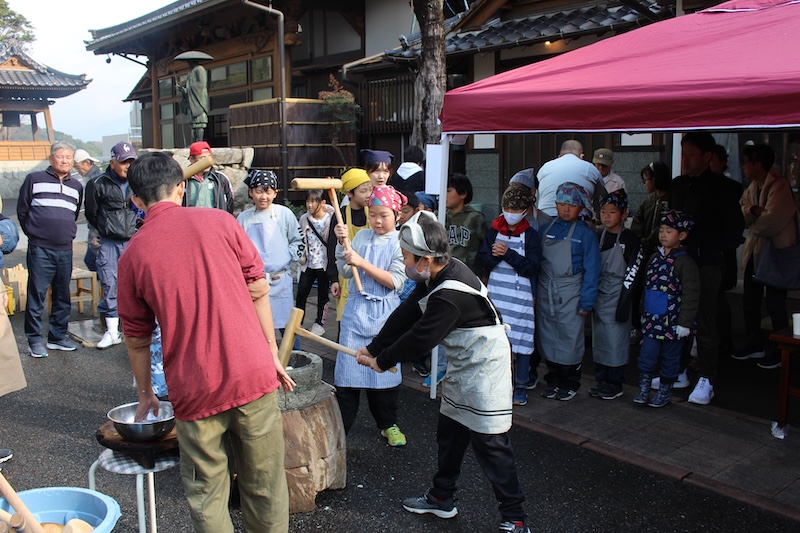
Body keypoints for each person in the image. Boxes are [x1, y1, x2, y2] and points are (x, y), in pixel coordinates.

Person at [118, 152, 294, 532]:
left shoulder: (132, 254)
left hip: (193, 387)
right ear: (181, 188)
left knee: (208, 493)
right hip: (251, 373)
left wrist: (146, 392)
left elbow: (136, 338)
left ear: (136, 200)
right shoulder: (223, 221)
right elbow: (259, 289)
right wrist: (271, 354)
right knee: (265, 485)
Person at [355, 211, 530, 533]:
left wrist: (383, 361)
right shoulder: (436, 274)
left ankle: (515, 517)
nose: (404, 261)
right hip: (465, 364)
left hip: (485, 368)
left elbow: (422, 336)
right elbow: (407, 312)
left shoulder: (451, 291)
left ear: (425, 259)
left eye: (407, 256)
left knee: (491, 444)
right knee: (450, 434)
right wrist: (376, 346)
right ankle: (441, 498)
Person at [669, 132, 744, 405]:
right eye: (684, 153)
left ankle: (707, 377)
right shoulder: (678, 186)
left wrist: (715, 250)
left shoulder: (725, 189)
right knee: (676, 315)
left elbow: (734, 230)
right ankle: (677, 369)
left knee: (706, 320)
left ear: (707, 156)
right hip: (678, 261)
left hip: (707, 261)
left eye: (691, 154)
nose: (686, 159)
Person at [334, 185, 407, 445]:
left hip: (386, 314)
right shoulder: (361, 237)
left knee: (383, 373)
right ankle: (340, 433)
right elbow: (344, 271)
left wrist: (361, 262)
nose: (377, 220)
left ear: (397, 215)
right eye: (372, 214)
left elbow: (395, 281)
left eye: (384, 215)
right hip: (356, 312)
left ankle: (388, 424)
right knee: (347, 377)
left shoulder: (401, 242)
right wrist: (341, 244)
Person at [17, 141, 83, 357]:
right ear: (51, 158)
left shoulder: (77, 186)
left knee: (63, 295)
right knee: (37, 294)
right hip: (40, 248)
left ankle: (57, 336)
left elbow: (73, 215)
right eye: (60, 156)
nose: (65, 160)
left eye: (69, 157)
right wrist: (34, 233)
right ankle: (34, 339)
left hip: (65, 248)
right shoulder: (34, 179)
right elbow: (23, 210)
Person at [536, 182, 600, 401]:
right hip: (547, 288)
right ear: (555, 204)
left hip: (572, 290)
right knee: (548, 335)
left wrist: (587, 301)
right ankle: (552, 379)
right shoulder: (547, 228)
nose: (566, 209)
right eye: (562, 204)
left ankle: (570, 382)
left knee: (569, 337)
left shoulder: (586, 234)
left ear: (581, 208)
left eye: (571, 205)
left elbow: (592, 270)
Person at [735, 144, 798, 369]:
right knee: (750, 301)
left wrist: (753, 220)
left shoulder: (779, 185)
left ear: (757, 164)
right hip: (755, 252)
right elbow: (742, 209)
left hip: (774, 253)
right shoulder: (754, 186)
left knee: (775, 303)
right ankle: (754, 344)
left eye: (746, 162)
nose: (744, 167)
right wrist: (753, 211)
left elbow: (772, 222)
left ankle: (780, 351)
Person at [478, 185, 541, 406]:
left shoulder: (531, 236)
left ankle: (521, 385)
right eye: (507, 207)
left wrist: (508, 254)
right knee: (495, 340)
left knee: (522, 341)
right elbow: (483, 260)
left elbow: (532, 267)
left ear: (526, 210)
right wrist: (494, 256)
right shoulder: (493, 231)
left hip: (521, 298)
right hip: (497, 294)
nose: (510, 212)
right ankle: (495, 383)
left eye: (516, 208)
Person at [635, 211, 700, 407]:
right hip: (652, 320)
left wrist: (685, 323)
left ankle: (665, 392)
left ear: (682, 236)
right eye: (661, 230)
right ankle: (644, 389)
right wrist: (641, 312)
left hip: (674, 323)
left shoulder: (685, 263)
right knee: (647, 355)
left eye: (669, 231)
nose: (663, 234)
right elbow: (646, 287)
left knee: (671, 358)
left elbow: (692, 294)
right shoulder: (654, 257)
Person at [85, 141, 139, 349]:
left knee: (138, 284)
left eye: (131, 162)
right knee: (110, 283)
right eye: (124, 162)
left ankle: (136, 327)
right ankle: (112, 331)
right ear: (113, 162)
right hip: (108, 241)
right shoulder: (97, 182)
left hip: (134, 239)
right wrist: (100, 231)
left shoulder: (138, 181)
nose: (128, 166)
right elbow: (91, 212)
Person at [237, 170, 304, 331]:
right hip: (256, 282)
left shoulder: (284, 214)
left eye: (268, 192)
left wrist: (287, 256)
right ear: (251, 193)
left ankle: (294, 354)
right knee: (258, 328)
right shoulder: (243, 218)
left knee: (288, 328)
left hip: (280, 280)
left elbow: (298, 240)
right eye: (259, 191)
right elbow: (237, 249)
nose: (263, 197)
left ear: (275, 193)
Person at [590, 190, 641, 400]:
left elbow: (634, 272)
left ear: (624, 213)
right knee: (600, 340)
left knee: (616, 341)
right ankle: (602, 380)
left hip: (620, 294)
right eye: (603, 211)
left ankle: (615, 382)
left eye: (612, 211)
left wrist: (625, 302)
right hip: (600, 295)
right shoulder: (598, 235)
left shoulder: (630, 239)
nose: (607, 216)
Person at [326, 168, 373, 321]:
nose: (368, 194)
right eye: (363, 191)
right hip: (345, 274)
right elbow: (332, 248)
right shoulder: (340, 216)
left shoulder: (373, 213)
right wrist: (333, 279)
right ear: (349, 193)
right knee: (347, 319)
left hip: (369, 271)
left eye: (370, 189)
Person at [296, 189, 334, 336]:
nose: (310, 205)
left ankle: (320, 323)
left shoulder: (330, 219)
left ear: (322, 203)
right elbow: (300, 239)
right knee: (301, 294)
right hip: (308, 263)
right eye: (308, 201)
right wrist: (301, 257)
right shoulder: (304, 219)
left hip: (324, 264)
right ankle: (298, 322)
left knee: (323, 295)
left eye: (313, 201)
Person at [536, 140, 607, 218]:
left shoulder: (545, 167)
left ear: (559, 156)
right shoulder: (589, 168)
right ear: (581, 157)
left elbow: (538, 195)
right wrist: (598, 218)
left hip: (545, 217)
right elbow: (602, 199)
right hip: (579, 218)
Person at [182, 141, 234, 212]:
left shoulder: (220, 179)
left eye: (209, 156)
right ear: (192, 159)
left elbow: (230, 202)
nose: (207, 161)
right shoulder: (183, 180)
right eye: (203, 158)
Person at [73, 149, 102, 272]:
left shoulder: (95, 179)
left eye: (78, 167)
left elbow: (98, 208)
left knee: (94, 260)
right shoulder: (92, 177)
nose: (77, 171)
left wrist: (96, 234)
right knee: (92, 260)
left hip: (97, 228)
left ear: (87, 162)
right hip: (94, 226)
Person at [178, 59, 209, 142]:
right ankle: (195, 142)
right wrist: (183, 89)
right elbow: (188, 86)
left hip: (198, 101)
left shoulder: (200, 69)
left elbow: (201, 84)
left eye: (190, 61)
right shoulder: (190, 72)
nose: (189, 63)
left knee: (199, 124)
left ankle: (199, 141)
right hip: (191, 101)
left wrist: (188, 89)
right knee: (193, 125)